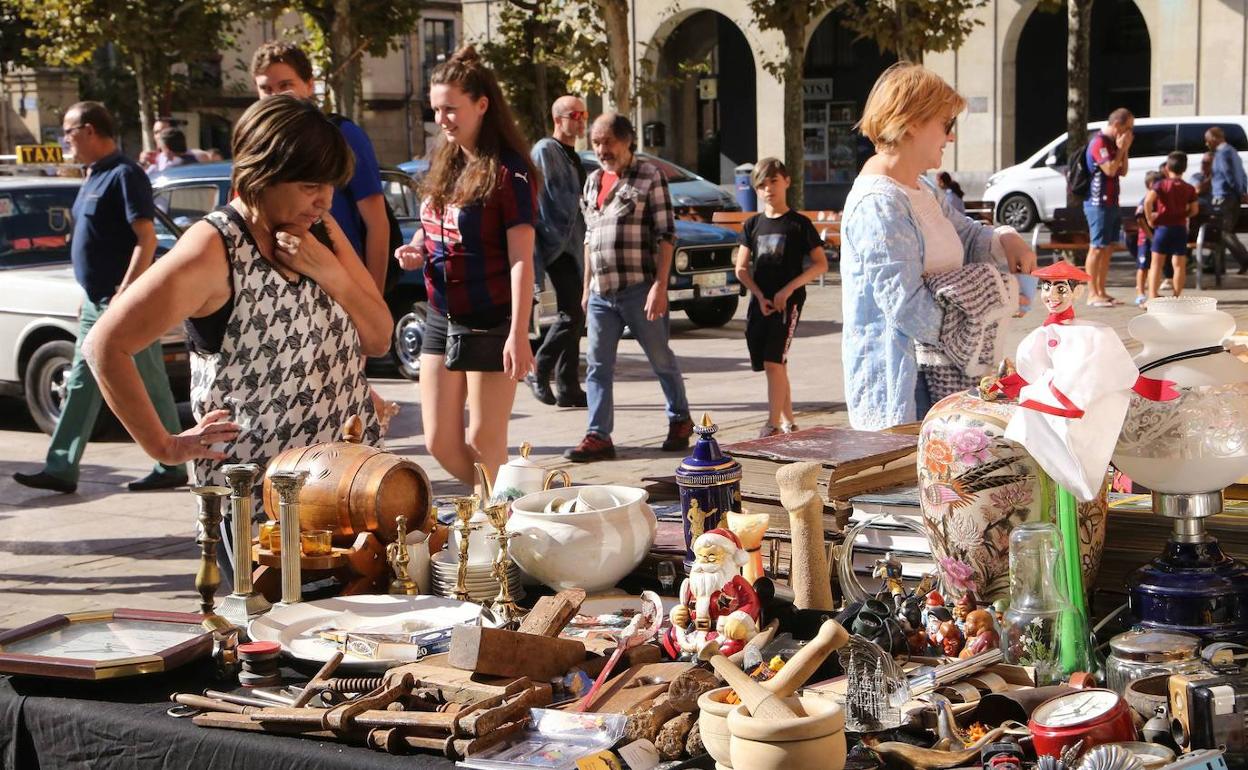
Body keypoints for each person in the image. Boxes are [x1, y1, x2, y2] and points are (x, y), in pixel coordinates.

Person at [83, 95, 390, 511]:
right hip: (259, 512)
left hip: (351, 493)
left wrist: (330, 273)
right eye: (310, 186)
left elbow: (378, 339)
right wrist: (166, 446)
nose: (325, 201)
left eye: (330, 186)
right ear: (263, 174)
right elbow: (105, 345)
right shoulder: (213, 249)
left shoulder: (322, 231)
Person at [840, 62, 1037, 431]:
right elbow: (906, 306)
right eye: (946, 125)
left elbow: (963, 235)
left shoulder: (920, 187)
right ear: (912, 122)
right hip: (906, 393)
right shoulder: (878, 202)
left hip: (935, 383)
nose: (951, 138)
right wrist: (985, 317)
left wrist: (1005, 239)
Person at [13, 102, 188, 495]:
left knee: (149, 381)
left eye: (69, 131)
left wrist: (127, 291)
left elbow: (145, 239)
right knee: (80, 383)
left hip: (124, 302)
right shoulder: (93, 176)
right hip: (97, 303)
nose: (66, 140)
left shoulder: (126, 174)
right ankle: (61, 467)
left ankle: (171, 463)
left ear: (90, 130)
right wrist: (89, 295)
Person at [393, 46, 536, 486]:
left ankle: (501, 526)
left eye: (451, 109)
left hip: (491, 318)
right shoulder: (447, 161)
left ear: (481, 105)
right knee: (438, 440)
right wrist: (417, 245)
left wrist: (518, 332)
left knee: (485, 439)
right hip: (440, 314)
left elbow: (521, 258)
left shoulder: (510, 173)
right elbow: (437, 226)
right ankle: (497, 509)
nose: (442, 120)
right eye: (436, 109)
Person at [563, 113, 693, 462]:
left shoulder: (650, 176)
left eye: (608, 142)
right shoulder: (592, 182)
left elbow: (667, 235)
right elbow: (590, 237)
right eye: (596, 143)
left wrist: (660, 287)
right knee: (597, 366)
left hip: (640, 288)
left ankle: (680, 420)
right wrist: (587, 287)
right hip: (602, 294)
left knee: (660, 359)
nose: (602, 149)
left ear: (627, 141)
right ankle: (598, 435)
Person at [251, 42, 391, 292]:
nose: (275, 96)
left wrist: (373, 299)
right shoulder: (260, 147)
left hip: (342, 285)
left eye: (285, 85)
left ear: (309, 85)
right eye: (266, 88)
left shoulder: (343, 135)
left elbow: (377, 224)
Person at [732, 158, 827, 437]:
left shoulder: (799, 224)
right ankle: (789, 422)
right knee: (774, 364)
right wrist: (760, 295)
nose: (768, 189)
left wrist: (788, 290)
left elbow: (820, 264)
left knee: (774, 361)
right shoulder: (753, 225)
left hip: (789, 303)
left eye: (773, 181)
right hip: (760, 303)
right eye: (761, 185)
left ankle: (771, 424)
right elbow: (741, 268)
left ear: (786, 181)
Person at [527, 95, 589, 408]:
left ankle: (568, 386)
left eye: (584, 114)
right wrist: (556, 239)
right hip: (556, 244)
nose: (581, 120)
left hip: (575, 244)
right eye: (574, 114)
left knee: (576, 315)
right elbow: (544, 200)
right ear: (558, 118)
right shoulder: (545, 150)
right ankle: (539, 367)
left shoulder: (574, 155)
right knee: (572, 313)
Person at [1083, 108, 1134, 307]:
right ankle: (1092, 293)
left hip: (1112, 202)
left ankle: (1102, 291)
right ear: (1116, 125)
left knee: (1108, 247)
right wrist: (1121, 149)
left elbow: (1123, 171)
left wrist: (1125, 149)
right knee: (1096, 248)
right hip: (1098, 203)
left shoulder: (1114, 144)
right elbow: (1110, 169)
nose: (1130, 131)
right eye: (1128, 127)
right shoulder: (1099, 143)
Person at [1144, 151, 1199, 299]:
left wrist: (1150, 219)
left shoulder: (1161, 185)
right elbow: (1194, 210)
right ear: (1185, 168)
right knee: (1179, 264)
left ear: (1167, 167)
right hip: (1180, 228)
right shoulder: (1189, 188)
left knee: (1156, 263)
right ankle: (1176, 296)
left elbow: (1148, 201)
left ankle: (1152, 295)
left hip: (1162, 228)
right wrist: (1184, 214)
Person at [1205, 126, 1248, 274]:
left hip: (1224, 197)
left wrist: (1239, 191)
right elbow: (1242, 174)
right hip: (1232, 197)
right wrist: (1243, 191)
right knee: (1223, 232)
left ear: (1215, 138)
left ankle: (1245, 260)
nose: (1207, 143)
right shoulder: (1233, 151)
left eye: (1208, 140)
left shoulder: (1222, 153)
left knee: (1223, 232)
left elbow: (1230, 175)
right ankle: (1218, 266)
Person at [1133, 170, 1159, 306]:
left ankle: (1152, 292)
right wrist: (1149, 235)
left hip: (1156, 237)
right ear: (1150, 184)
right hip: (1145, 239)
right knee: (1142, 266)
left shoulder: (1158, 199)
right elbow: (1139, 220)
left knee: (1154, 265)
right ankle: (1140, 293)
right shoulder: (1145, 200)